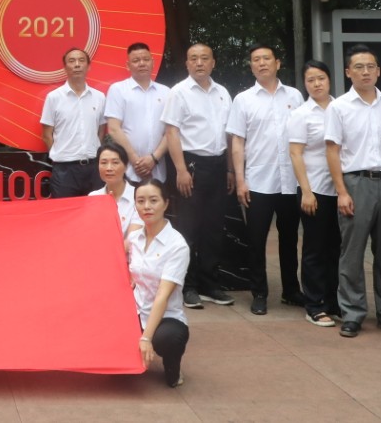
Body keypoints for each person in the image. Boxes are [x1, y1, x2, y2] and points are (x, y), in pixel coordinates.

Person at [324, 44, 381, 338]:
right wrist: (341, 191)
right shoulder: (339, 107)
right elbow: (332, 150)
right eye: (359, 67)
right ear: (348, 72)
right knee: (352, 253)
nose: (365, 72)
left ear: (378, 71)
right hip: (356, 184)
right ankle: (353, 313)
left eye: (370, 66)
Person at [227, 43, 304, 315]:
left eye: (266, 58)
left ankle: (291, 290)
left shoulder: (295, 95)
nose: (261, 63)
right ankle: (259, 292)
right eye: (256, 60)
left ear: (277, 63)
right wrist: (240, 180)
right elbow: (237, 142)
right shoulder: (243, 100)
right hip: (258, 181)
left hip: (290, 180)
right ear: (251, 67)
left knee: (289, 238)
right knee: (256, 240)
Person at [160, 42, 235, 309]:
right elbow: (171, 132)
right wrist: (180, 169)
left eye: (204, 58)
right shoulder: (179, 92)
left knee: (214, 227)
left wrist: (229, 169)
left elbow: (229, 135)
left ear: (213, 62)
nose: (199, 63)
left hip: (218, 165)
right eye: (193, 58)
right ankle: (188, 286)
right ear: (187, 64)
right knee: (188, 228)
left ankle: (210, 284)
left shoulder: (223, 92)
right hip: (190, 165)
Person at [287, 59, 339, 327]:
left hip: (341, 189)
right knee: (315, 248)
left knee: (336, 247)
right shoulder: (301, 114)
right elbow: (295, 154)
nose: (316, 84)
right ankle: (315, 304)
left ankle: (333, 301)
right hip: (315, 188)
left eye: (321, 78)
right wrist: (306, 191)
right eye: (310, 80)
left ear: (329, 80)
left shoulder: (341, 107)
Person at [127, 181, 190, 388]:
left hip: (166, 317)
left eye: (153, 201)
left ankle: (173, 367)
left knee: (168, 338)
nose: (147, 206)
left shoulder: (177, 245)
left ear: (166, 203)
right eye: (140, 201)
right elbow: (111, 255)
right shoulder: (134, 238)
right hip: (135, 311)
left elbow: (162, 296)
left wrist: (146, 338)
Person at [40, 47, 107, 198]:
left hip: (93, 168)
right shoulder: (54, 97)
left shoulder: (99, 97)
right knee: (65, 211)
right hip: (64, 171)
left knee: (95, 210)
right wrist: (60, 154)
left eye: (81, 60)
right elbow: (46, 135)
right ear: (65, 67)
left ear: (88, 66)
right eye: (72, 61)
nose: (77, 64)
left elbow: (101, 130)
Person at [103, 41, 170, 184]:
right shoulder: (118, 90)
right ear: (128, 65)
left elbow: (171, 130)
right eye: (136, 60)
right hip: (128, 168)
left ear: (153, 62)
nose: (142, 63)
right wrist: (135, 160)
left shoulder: (166, 92)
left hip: (159, 168)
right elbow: (114, 128)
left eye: (146, 59)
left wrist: (154, 158)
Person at [87, 140, 137, 236]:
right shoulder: (93, 197)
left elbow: (133, 238)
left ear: (126, 166)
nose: (109, 168)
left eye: (115, 162)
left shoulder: (138, 196)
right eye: (104, 163)